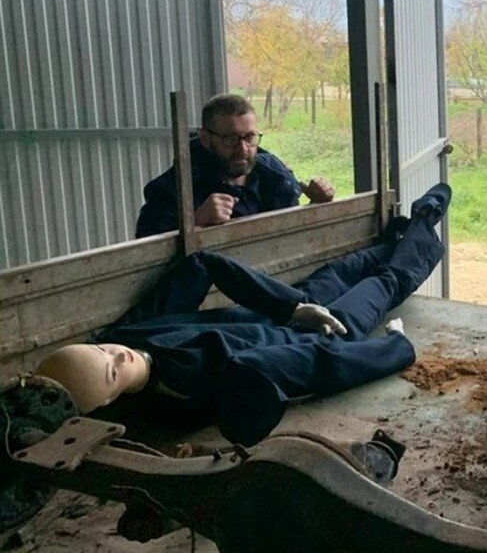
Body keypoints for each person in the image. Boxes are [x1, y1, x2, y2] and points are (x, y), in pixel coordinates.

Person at [38, 184, 452, 446]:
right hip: (328, 333)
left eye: (102, 350)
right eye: (111, 370)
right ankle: (424, 219)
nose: (119, 355)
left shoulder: (128, 332)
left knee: (349, 266)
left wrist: (290, 305)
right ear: (109, 399)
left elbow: (201, 265)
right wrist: (395, 346)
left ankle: (410, 234)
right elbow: (320, 363)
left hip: (290, 307)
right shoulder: (200, 384)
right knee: (387, 281)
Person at [135, 94, 336, 238]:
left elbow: (294, 235)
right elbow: (144, 250)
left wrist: (317, 205)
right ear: (205, 139)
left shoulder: (275, 176)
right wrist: (194, 221)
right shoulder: (175, 188)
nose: (243, 149)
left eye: (249, 137)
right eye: (230, 139)